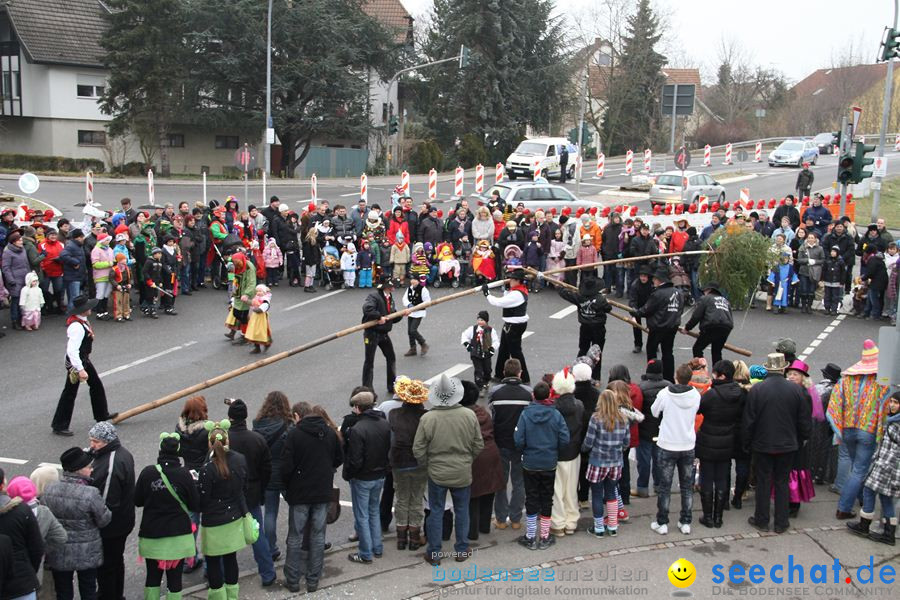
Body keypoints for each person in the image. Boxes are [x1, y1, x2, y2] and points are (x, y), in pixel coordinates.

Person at [413, 375, 484, 566]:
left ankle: (434, 553)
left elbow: (418, 449)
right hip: (462, 470)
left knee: (436, 511)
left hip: (437, 471)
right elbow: (478, 444)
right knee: (462, 510)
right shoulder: (469, 415)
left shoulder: (428, 418)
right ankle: (461, 549)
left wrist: (428, 464)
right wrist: (467, 459)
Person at [743, 353, 812, 533]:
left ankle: (762, 519)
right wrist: (803, 437)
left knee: (763, 482)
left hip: (763, 443)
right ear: (783, 369)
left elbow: (749, 420)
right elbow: (804, 420)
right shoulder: (796, 390)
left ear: (767, 368)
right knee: (782, 482)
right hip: (788, 444)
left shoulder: (757, 390)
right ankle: (781, 522)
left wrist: (747, 442)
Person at [827, 340, 893, 520]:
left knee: (858, 467)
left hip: (848, 429)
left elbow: (834, 405)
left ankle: (862, 498)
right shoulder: (881, 382)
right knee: (860, 470)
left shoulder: (846, 380)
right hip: (868, 431)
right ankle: (844, 508)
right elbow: (886, 407)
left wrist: (839, 428)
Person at [281, 402, 343, 593]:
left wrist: (290, 484)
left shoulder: (294, 435)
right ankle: (313, 579)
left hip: (300, 493)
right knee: (318, 536)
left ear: (299, 416)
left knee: (295, 536)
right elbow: (338, 458)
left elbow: (286, 466)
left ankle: (292, 580)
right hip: (322, 492)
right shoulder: (330, 433)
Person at [134, 433, 201, 600]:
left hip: (152, 534)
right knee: (175, 579)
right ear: (178, 452)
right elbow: (194, 505)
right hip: (177, 535)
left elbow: (137, 500)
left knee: (152, 578)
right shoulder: (184, 475)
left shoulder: (148, 473)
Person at [40, 450, 109, 600]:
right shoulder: (90, 493)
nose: (92, 469)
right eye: (89, 466)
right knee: (88, 590)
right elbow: (104, 520)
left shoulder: (49, 490)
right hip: (87, 551)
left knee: (63, 592)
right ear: (79, 469)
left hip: (59, 550)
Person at [221, 399, 274, 586]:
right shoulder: (257, 439)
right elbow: (267, 468)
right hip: (251, 491)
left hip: (228, 493)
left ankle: (220, 576)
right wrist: (261, 488)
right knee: (257, 533)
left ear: (229, 417)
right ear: (245, 416)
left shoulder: (224, 439)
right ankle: (267, 573)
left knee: (225, 537)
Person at [514, 381, 569, 550]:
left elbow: (518, 440)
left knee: (531, 498)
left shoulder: (525, 415)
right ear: (549, 396)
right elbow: (565, 439)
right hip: (549, 462)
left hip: (530, 462)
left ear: (533, 396)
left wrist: (526, 450)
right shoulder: (556, 415)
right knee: (546, 498)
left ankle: (530, 535)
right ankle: (545, 535)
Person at [51, 295, 116, 436]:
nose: (90, 309)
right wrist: (80, 369)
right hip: (76, 362)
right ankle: (59, 425)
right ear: (83, 310)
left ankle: (101, 415)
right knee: (70, 392)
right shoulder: (77, 327)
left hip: (83, 359)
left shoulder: (82, 321)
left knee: (96, 385)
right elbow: (72, 351)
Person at [198, 420, 248, 600]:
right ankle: (232, 595)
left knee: (212, 561)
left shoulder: (207, 469)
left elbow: (203, 499)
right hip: (233, 517)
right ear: (228, 441)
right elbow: (243, 487)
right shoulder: (240, 460)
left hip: (212, 521)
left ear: (210, 443)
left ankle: (218, 596)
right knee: (230, 558)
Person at [650, 363, 701, 535]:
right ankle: (685, 521)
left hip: (667, 444)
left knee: (665, 486)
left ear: (676, 377)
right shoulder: (695, 395)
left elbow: (654, 411)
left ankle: (662, 522)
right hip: (687, 444)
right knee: (687, 486)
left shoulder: (665, 393)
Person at [86, 421, 135, 600]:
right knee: (116, 561)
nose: (92, 445)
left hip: (112, 525)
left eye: (96, 441)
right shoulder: (119, 453)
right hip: (122, 521)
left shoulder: (112, 463)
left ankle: (109, 595)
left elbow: (107, 501)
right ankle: (116, 594)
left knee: (106, 566)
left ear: (107, 441)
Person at [343, 391, 391, 565]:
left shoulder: (357, 429)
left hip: (363, 478)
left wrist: (348, 474)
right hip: (379, 475)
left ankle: (365, 553)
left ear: (357, 408)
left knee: (362, 515)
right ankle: (377, 548)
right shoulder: (384, 423)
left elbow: (355, 460)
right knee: (373, 512)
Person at [696, 360, 746, 528]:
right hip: (728, 439)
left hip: (709, 440)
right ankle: (719, 517)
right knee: (722, 478)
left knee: (707, 478)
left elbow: (699, 409)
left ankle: (708, 516)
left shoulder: (712, 395)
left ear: (721, 375)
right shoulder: (740, 393)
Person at [846, 391, 899, 545]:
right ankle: (889, 534)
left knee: (868, 490)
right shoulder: (893, 420)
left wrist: (883, 462)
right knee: (885, 498)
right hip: (887, 466)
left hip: (887, 467)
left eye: (896, 402)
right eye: (892, 401)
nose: (892, 405)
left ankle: (864, 524)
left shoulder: (896, 423)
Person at [489, 359, 531, 531]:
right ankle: (515, 519)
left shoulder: (495, 392)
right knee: (519, 482)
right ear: (520, 373)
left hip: (501, 442)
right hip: (521, 444)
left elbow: (493, 415)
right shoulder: (528, 393)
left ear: (504, 373)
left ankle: (500, 519)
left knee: (501, 481)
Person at [388, 378, 428, 551]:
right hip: (419, 462)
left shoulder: (394, 414)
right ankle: (414, 537)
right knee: (417, 498)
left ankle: (401, 538)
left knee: (402, 499)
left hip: (399, 462)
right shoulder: (425, 416)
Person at [461, 380, 504, 541]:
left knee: (472, 495)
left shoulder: (462, 416)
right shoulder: (483, 412)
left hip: (474, 457)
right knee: (488, 491)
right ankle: (484, 526)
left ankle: (472, 531)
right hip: (491, 453)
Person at [251, 392, 292, 563]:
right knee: (296, 509)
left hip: (267, 474)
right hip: (285, 473)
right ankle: (295, 542)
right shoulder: (287, 424)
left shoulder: (258, 424)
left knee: (270, 512)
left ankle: (270, 548)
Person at [554, 275, 612, 380]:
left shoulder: (579, 297)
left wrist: (558, 287)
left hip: (585, 327)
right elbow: (608, 308)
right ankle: (596, 378)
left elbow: (566, 294)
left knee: (583, 349)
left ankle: (576, 372)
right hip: (598, 328)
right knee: (597, 353)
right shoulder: (600, 299)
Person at [548, 370, 583, 537]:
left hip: (556, 453)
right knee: (571, 489)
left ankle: (558, 523)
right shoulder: (579, 406)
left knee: (557, 489)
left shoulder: (553, 408)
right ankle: (571, 521)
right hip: (574, 452)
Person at [633, 267, 683, 383]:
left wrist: (635, 313)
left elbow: (646, 309)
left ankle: (652, 375)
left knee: (651, 350)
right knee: (668, 352)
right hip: (672, 326)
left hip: (658, 326)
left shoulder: (658, 293)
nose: (653, 281)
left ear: (660, 280)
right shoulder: (678, 292)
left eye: (654, 279)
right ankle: (668, 377)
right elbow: (679, 309)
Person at [484, 269, 531, 383]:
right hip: (511, 324)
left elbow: (499, 302)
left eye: (512, 279)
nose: (510, 280)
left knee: (516, 352)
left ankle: (524, 377)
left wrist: (487, 294)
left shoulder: (517, 294)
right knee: (504, 349)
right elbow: (507, 298)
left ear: (517, 281)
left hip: (514, 326)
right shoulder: (517, 290)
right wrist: (506, 290)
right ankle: (499, 374)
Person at [361, 275, 404, 394]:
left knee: (391, 357)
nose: (393, 288)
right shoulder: (374, 297)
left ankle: (391, 385)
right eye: (391, 286)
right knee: (369, 361)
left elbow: (392, 317)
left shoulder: (390, 297)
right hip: (372, 333)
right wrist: (378, 316)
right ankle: (367, 389)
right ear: (385, 287)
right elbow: (367, 309)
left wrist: (400, 314)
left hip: (384, 333)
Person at [635, 360, 667, 498]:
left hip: (645, 430)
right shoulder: (668, 387)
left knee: (644, 461)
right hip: (662, 430)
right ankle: (659, 485)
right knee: (659, 460)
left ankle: (642, 487)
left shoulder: (641, 387)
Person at [684, 281, 733, 365]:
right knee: (717, 352)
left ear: (709, 290)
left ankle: (701, 369)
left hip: (712, 326)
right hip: (726, 327)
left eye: (704, 291)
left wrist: (687, 328)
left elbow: (696, 316)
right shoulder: (725, 301)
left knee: (697, 349)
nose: (703, 293)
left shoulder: (705, 298)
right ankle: (718, 373)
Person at [461, 311, 499, 390]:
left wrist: (492, 348)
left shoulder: (491, 330)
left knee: (487, 370)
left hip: (486, 353)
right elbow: (464, 335)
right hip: (475, 353)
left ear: (486, 321)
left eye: (482, 320)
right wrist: (467, 344)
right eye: (478, 320)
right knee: (478, 370)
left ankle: (486, 381)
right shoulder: (473, 329)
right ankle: (479, 386)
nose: (479, 322)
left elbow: (496, 341)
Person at [224, 252, 256, 344]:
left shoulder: (249, 267)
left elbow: (251, 282)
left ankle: (246, 335)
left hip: (244, 295)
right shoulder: (235, 266)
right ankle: (245, 332)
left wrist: (247, 294)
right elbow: (234, 279)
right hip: (238, 292)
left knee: (242, 315)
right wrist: (233, 292)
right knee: (236, 313)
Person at [403, 275, 430, 357]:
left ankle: (423, 344)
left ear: (418, 281)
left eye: (414, 279)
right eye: (411, 279)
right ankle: (413, 348)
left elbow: (427, 301)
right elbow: (405, 298)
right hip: (410, 312)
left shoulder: (423, 289)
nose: (412, 281)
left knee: (413, 330)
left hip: (419, 312)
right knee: (409, 331)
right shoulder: (409, 289)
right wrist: (409, 305)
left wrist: (417, 307)